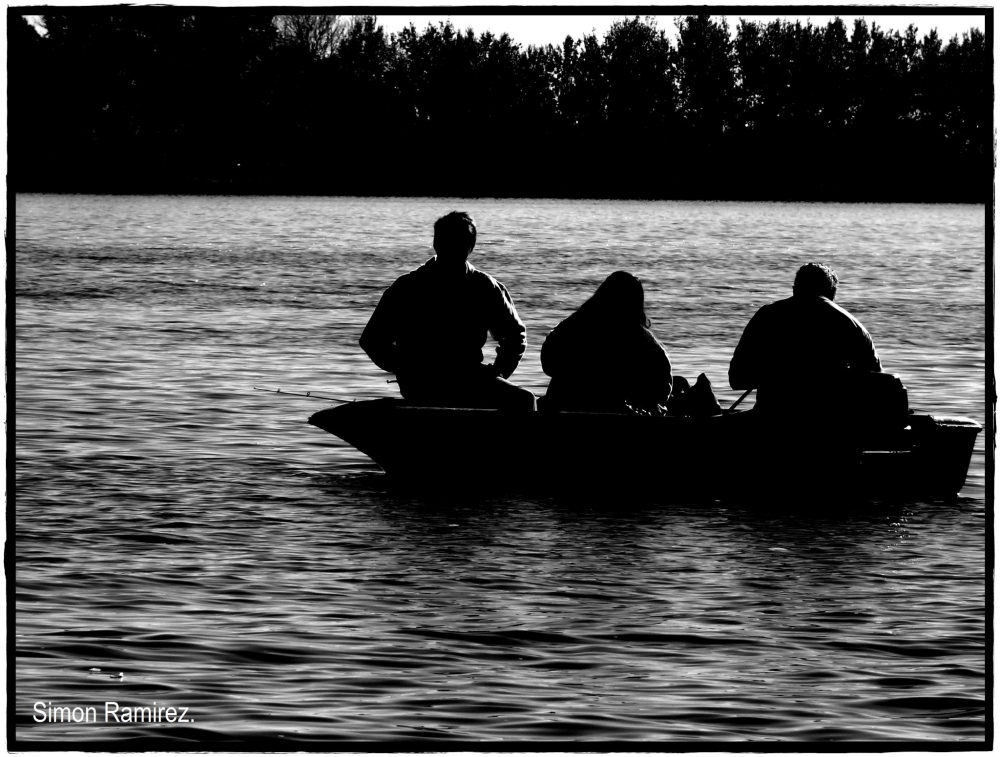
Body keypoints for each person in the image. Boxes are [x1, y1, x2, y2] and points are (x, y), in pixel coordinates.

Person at [359, 211, 535, 411]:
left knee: (524, 399)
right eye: (447, 240)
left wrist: (499, 372)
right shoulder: (408, 287)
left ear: (471, 246)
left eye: (460, 241)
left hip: (470, 379)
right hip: (421, 384)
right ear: (436, 243)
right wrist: (407, 367)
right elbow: (371, 340)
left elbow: (514, 336)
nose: (453, 247)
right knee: (524, 399)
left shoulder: (486, 287)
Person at [728, 263, 883, 416]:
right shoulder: (852, 325)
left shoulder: (766, 316)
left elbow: (736, 379)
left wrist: (776, 375)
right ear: (833, 293)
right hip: (833, 424)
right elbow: (877, 384)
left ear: (795, 289)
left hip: (771, 419)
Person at [540, 271, 673, 413]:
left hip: (565, 406)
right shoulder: (645, 343)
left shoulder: (572, 326)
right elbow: (662, 388)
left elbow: (548, 363)